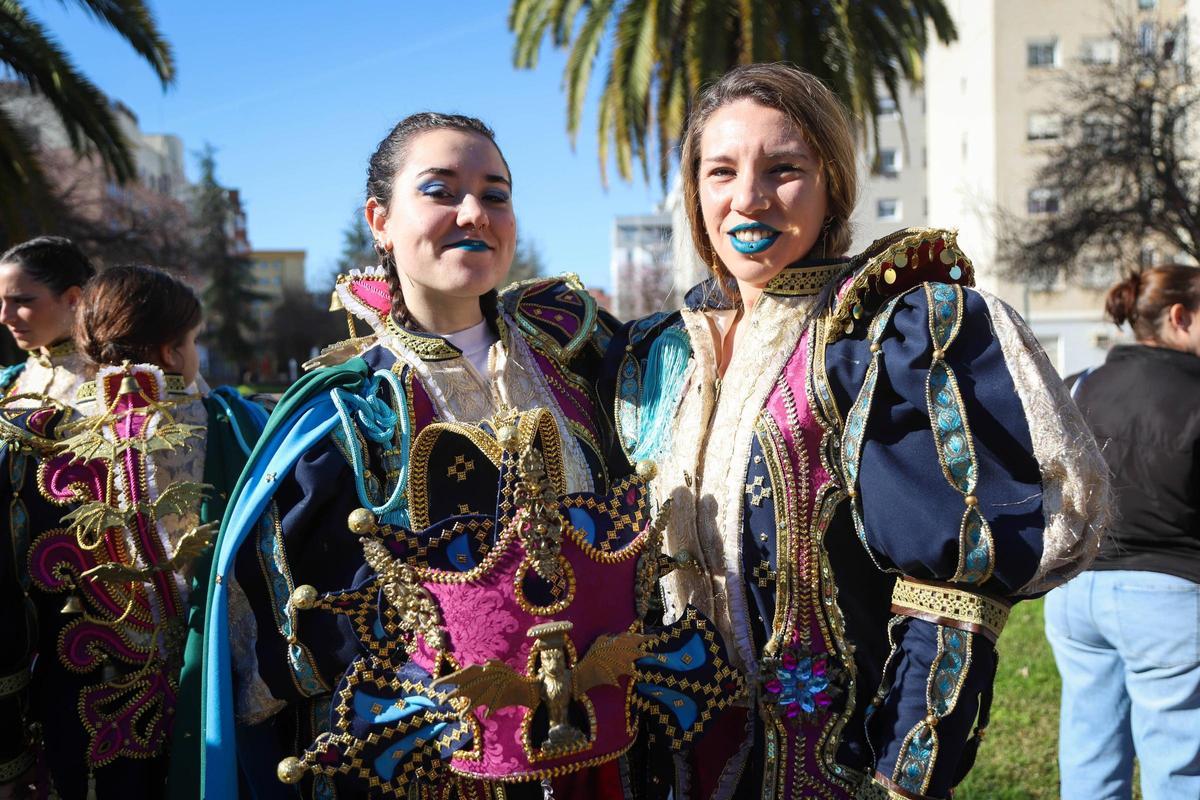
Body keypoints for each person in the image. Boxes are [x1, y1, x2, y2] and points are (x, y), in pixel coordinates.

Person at [603, 63, 1111, 799]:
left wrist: (902, 776)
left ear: (831, 185)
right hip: (669, 763)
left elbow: (954, 592)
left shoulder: (886, 336)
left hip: (832, 766)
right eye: (722, 171)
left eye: (785, 169)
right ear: (695, 191)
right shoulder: (655, 353)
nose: (748, 198)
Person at [201, 112, 634, 799]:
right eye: (440, 190)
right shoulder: (341, 410)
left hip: (593, 754)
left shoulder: (586, 364)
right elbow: (276, 627)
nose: (474, 212)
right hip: (421, 767)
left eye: (496, 194)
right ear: (380, 219)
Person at [0, 265, 265, 799]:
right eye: (193, 342)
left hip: (78, 710)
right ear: (171, 352)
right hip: (215, 702)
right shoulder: (233, 426)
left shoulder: (29, 440)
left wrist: (10, 754)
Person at [1046, 265, 1200, 799]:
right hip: (1172, 600)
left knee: (1089, 756)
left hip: (1077, 595)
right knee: (1180, 768)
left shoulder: (1078, 386)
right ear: (1180, 317)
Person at [0, 236, 94, 406]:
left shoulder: (117, 382)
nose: (4, 317)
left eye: (22, 300)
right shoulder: (9, 382)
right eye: (1, 303)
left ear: (73, 299)